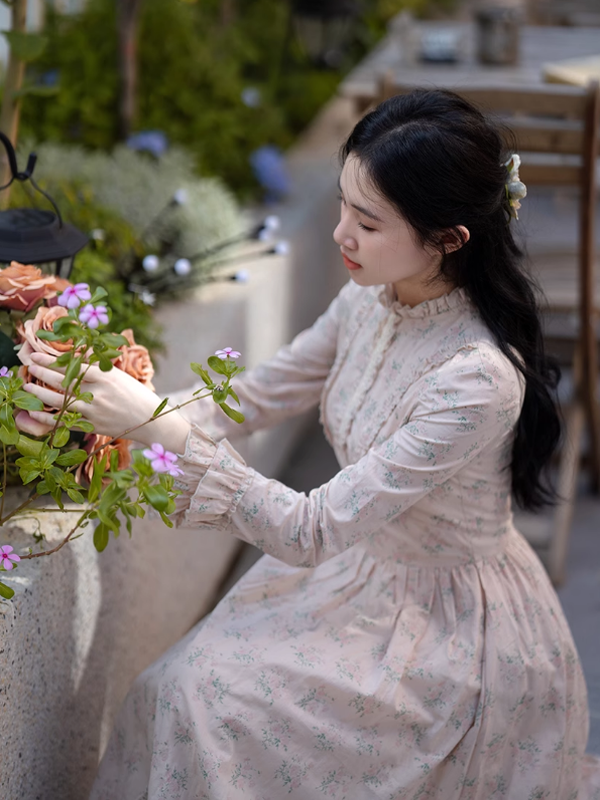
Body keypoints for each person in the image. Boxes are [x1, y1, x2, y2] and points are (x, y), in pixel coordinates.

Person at [21, 89, 600, 799]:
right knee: (173, 689)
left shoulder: (475, 381)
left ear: (450, 238)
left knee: (200, 699)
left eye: (367, 221)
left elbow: (312, 528)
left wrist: (153, 423)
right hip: (357, 581)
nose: (340, 235)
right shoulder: (373, 294)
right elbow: (259, 394)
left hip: (441, 636)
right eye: (342, 205)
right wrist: (115, 403)